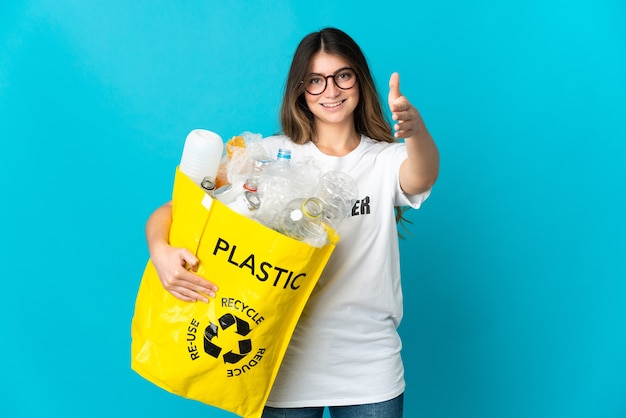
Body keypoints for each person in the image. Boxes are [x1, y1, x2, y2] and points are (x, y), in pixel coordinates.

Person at [145, 27, 439, 418]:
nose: (330, 91)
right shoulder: (266, 156)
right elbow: (177, 207)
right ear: (300, 89)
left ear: (359, 81)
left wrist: (414, 131)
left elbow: (422, 175)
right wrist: (160, 250)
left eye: (342, 76)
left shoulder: (383, 161)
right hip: (280, 360)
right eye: (315, 81)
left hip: (369, 364)